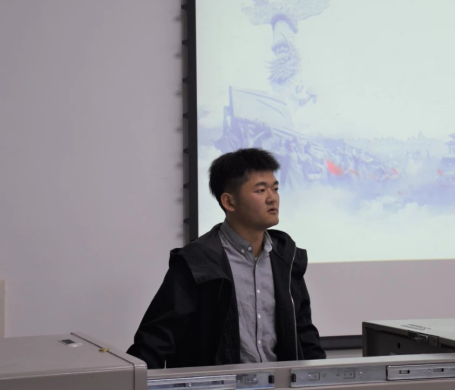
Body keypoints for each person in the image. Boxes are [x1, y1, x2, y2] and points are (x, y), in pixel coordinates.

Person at [127, 148, 326, 369]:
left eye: (275, 189)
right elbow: (156, 340)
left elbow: (304, 332)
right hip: (217, 388)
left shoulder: (286, 257)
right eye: (261, 190)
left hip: (280, 386)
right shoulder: (197, 261)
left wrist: (324, 379)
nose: (272, 198)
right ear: (229, 202)